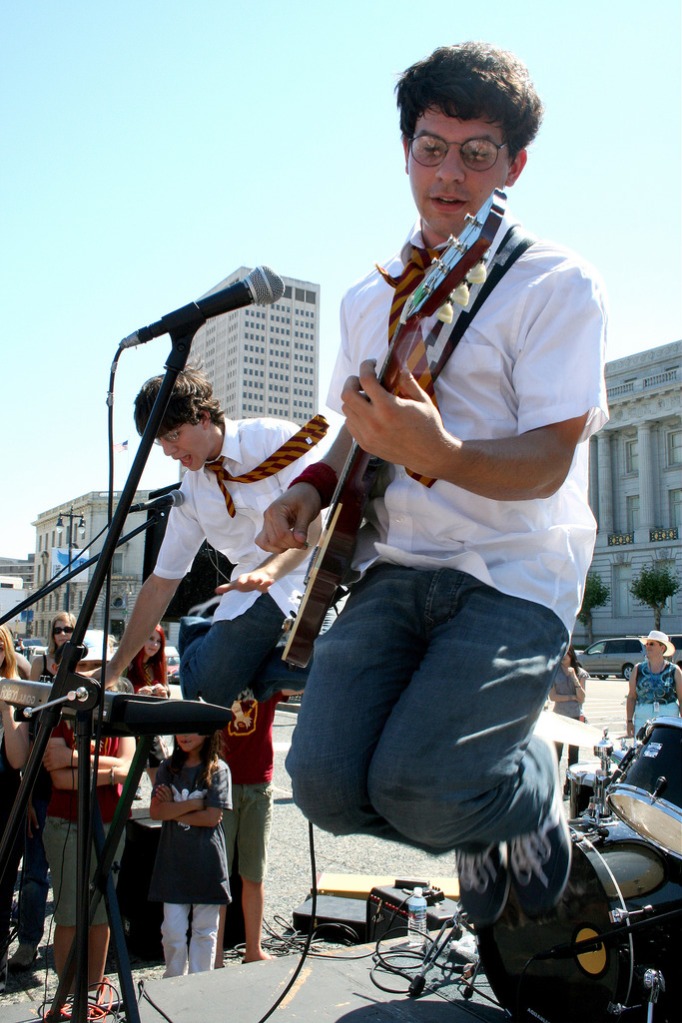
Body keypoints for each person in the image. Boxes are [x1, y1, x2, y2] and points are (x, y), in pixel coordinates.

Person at [257, 42, 608, 929]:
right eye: (430, 147)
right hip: (395, 565)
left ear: (514, 164)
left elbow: (551, 461)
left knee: (421, 789)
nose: (449, 174)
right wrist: (314, 484)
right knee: (329, 788)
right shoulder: (368, 299)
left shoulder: (553, 282)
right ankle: (481, 806)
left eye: (476, 152)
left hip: (511, 573)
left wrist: (443, 451)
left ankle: (525, 788)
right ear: (405, 149)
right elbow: (356, 418)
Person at [105, 368, 328, 708]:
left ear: (204, 418)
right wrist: (113, 667)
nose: (168, 451)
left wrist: (269, 572)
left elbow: (314, 529)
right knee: (205, 694)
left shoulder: (274, 439)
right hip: (248, 593)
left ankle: (247, 668)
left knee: (337, 668)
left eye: (174, 435)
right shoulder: (190, 494)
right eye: (160, 442)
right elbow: (161, 583)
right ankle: (203, 637)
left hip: (314, 573)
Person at [42, 647, 135, 990]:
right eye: (84, 667)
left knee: (100, 913)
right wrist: (109, 771)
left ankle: (94, 991)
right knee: (69, 913)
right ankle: (65, 997)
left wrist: (75, 756)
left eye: (97, 666)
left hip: (110, 822)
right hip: (67, 822)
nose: (91, 673)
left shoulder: (117, 711)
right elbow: (60, 778)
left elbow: (129, 765)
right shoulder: (58, 711)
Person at [9, 612, 77, 973]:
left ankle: (71, 942)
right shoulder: (40, 665)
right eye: (58, 629)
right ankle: (28, 944)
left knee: (70, 872)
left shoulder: (86, 668)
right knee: (34, 875)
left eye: (69, 628)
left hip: (68, 784)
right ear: (50, 634)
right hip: (40, 784)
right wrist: (26, 788)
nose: (64, 633)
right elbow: (30, 722)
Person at [215, 688, 299, 965]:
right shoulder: (221, 675)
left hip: (258, 786)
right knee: (218, 875)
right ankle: (213, 954)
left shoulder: (269, 680)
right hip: (219, 783)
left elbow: (297, 681)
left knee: (254, 872)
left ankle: (253, 949)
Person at [148, 730, 231, 978]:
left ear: (208, 734)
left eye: (194, 730)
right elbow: (156, 812)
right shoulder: (167, 768)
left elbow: (212, 818)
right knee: (172, 930)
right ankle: (173, 979)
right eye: (181, 730)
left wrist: (172, 808)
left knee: (205, 931)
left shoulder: (218, 770)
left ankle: (199, 982)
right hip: (172, 864)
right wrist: (195, 804)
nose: (185, 736)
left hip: (207, 863)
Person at [0, 625, 30, 993]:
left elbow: (18, 757)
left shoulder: (17, 690)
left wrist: (7, 708)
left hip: (5, 799)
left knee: (3, 889)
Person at [626, 630, 682, 738]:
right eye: (647, 644)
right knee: (641, 751)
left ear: (662, 648)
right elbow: (631, 697)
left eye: (652, 644)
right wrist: (629, 721)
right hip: (642, 719)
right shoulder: (638, 669)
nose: (648, 646)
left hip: (668, 720)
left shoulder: (674, 670)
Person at [549, 645, 588, 794]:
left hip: (575, 716)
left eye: (567, 653)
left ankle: (570, 787)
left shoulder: (580, 673)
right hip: (559, 716)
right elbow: (553, 697)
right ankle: (553, 785)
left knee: (573, 755)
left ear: (572, 655)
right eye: (562, 653)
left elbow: (582, 698)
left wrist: (573, 677)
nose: (564, 656)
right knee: (556, 754)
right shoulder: (555, 672)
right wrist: (572, 697)